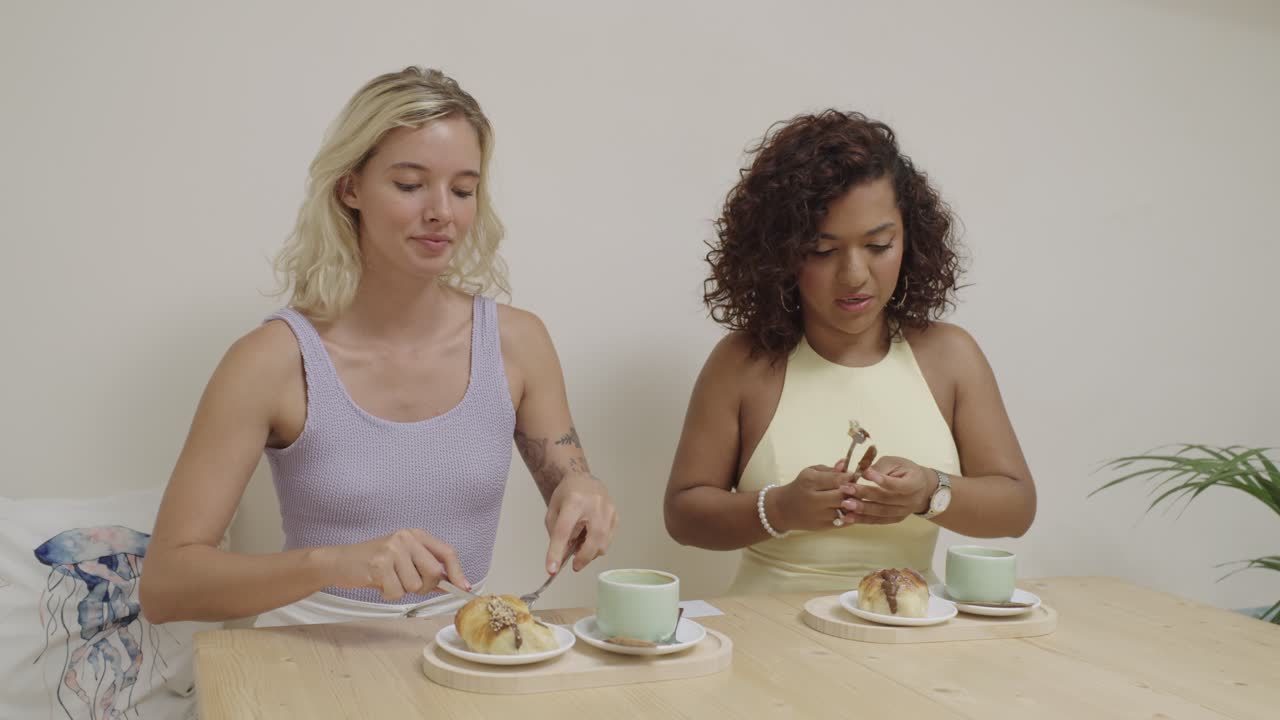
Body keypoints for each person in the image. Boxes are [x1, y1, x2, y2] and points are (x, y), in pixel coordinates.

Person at [139, 67, 617, 626]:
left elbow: (569, 482)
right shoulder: (272, 360)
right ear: (350, 187)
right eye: (410, 184)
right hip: (310, 662)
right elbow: (167, 587)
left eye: (463, 189)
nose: (442, 210)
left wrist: (584, 490)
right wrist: (333, 563)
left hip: (462, 649)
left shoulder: (518, 342)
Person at [664, 110, 1034, 594]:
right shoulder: (742, 362)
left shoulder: (951, 356)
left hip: (912, 631)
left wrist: (930, 491)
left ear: (911, 240)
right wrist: (779, 509)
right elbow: (684, 515)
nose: (855, 274)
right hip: (767, 638)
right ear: (780, 252)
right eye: (823, 251)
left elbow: (1017, 506)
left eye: (879, 245)